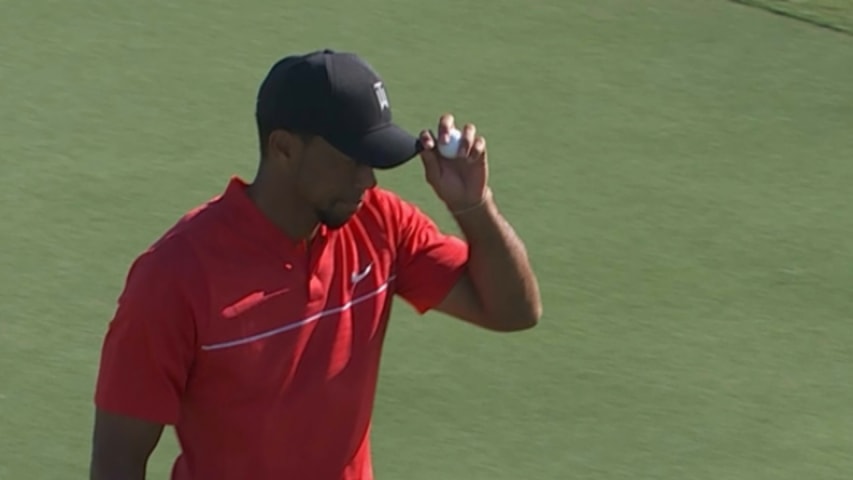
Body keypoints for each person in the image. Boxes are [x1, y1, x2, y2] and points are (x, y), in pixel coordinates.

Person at [89, 49, 542, 480]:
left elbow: (513, 311)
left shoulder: (380, 223)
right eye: (350, 160)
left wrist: (475, 206)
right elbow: (116, 462)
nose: (367, 179)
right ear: (283, 148)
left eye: (372, 161)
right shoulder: (174, 277)